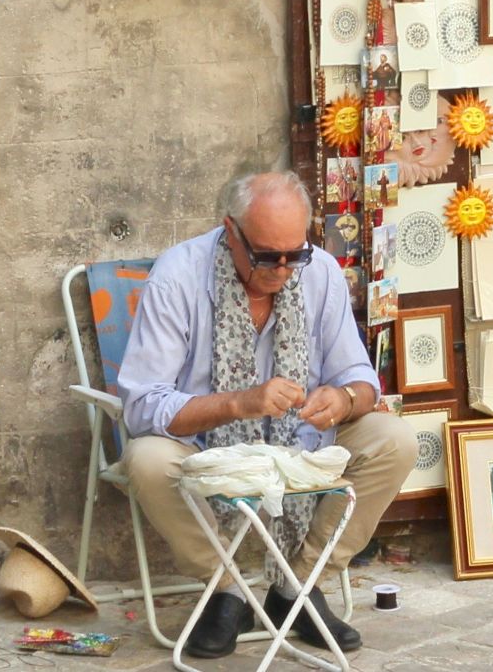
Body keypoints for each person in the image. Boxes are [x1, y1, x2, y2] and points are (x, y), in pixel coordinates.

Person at [118, 172, 415, 661]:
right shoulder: (178, 275)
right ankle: (228, 590)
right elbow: (142, 405)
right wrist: (239, 402)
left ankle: (297, 586)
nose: (281, 269)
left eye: (292, 254)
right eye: (265, 256)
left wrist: (342, 399)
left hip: (299, 446)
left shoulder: (318, 271)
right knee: (146, 458)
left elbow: (363, 380)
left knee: (395, 439)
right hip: (203, 448)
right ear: (230, 231)